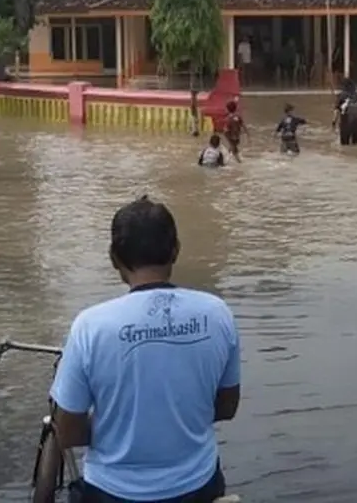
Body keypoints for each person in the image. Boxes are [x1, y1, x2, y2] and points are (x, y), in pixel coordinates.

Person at [51, 196, 240, 503]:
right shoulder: (217, 313)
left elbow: (68, 431)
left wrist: (118, 433)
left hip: (112, 492)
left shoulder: (91, 326)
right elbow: (227, 407)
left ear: (114, 258)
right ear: (176, 249)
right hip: (198, 485)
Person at [332, 78, 357, 146]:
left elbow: (336, 111)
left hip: (346, 123)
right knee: (356, 144)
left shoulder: (341, 96)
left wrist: (333, 123)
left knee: (344, 145)